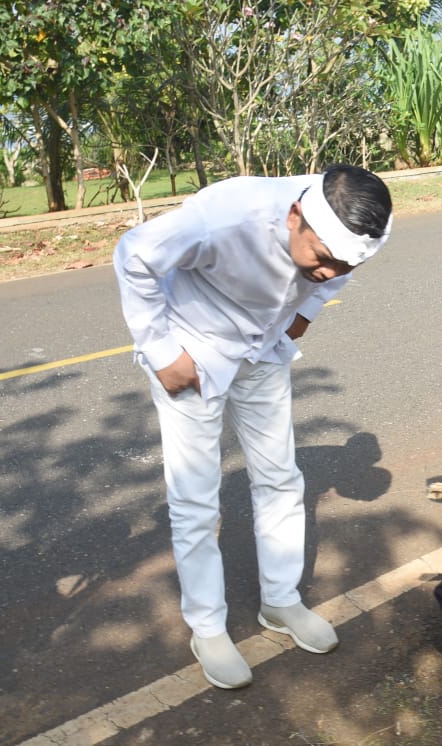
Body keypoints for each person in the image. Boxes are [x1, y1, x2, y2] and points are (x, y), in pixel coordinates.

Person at [113, 165, 393, 690]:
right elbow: (134, 255)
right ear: (294, 217)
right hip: (193, 348)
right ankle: (208, 627)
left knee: (281, 479)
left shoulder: (360, 225)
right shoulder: (225, 218)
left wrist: (305, 313)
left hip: (264, 348)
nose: (331, 272)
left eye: (342, 264)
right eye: (323, 259)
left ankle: (281, 602)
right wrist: (161, 351)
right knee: (197, 498)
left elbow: (341, 271)